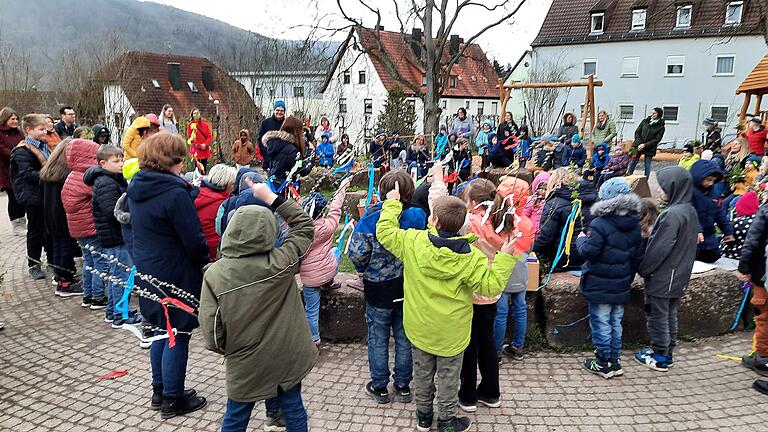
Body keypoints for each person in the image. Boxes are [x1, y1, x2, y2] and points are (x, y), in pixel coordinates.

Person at [376, 182, 518, 432]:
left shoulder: (413, 242)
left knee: (421, 375)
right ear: (462, 223)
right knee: (449, 379)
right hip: (453, 333)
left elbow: (385, 232)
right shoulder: (471, 257)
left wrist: (393, 202)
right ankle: (446, 421)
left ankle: (423, 416)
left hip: (420, 329)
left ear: (433, 219)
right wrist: (505, 256)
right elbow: (491, 286)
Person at [199, 179, 316, 432]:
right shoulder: (282, 262)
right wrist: (272, 198)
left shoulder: (215, 274)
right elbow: (304, 226)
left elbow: (211, 331)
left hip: (245, 358)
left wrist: (231, 351)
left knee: (236, 416)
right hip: (286, 353)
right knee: (294, 408)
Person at [127, 133, 209, 419]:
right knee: (179, 332)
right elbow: (194, 239)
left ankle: (160, 389)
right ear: (170, 159)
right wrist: (205, 262)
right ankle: (173, 399)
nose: (183, 161)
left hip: (149, 269)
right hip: (174, 270)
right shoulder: (174, 193)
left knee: (162, 330)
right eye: (180, 156)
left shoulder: (138, 186)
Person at [348, 171, 425, 404]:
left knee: (378, 337)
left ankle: (379, 386)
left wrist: (364, 269)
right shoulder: (418, 216)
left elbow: (357, 254)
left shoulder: (370, 219)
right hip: (407, 286)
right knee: (404, 337)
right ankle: (402, 386)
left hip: (378, 287)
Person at [576, 178, 642, 378]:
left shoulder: (599, 224)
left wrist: (580, 241)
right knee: (615, 321)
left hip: (600, 282)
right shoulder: (634, 223)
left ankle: (603, 362)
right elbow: (636, 256)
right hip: (621, 282)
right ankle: (615, 360)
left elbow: (589, 251)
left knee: (601, 321)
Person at [634, 166, 698, 371]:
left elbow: (659, 248)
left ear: (673, 188)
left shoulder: (671, 215)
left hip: (663, 277)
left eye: (663, 188)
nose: (660, 191)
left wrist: (644, 268)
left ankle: (661, 356)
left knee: (657, 315)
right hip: (678, 275)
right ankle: (667, 349)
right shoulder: (689, 210)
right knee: (670, 314)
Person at [83, 145, 142, 326]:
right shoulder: (105, 183)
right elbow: (112, 212)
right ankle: (121, 315)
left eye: (121, 160)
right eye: (116, 161)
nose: (121, 164)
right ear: (103, 163)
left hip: (115, 236)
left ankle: (113, 311)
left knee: (120, 276)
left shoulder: (112, 179)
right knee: (122, 278)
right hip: (115, 237)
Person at [299, 178, 351, 347]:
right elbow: (336, 207)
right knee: (335, 251)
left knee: (311, 311)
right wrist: (342, 186)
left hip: (309, 279)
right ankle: (329, 283)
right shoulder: (328, 225)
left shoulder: (300, 230)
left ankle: (315, 341)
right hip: (328, 271)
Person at [494, 176, 535, 362]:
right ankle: (518, 347)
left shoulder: (498, 222)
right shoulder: (526, 222)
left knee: (500, 311)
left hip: (503, 270)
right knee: (520, 308)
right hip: (520, 270)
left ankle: (496, 351)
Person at [61, 138, 106, 307]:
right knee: (100, 262)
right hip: (91, 228)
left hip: (77, 229)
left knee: (88, 261)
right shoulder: (87, 179)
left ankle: (87, 295)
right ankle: (98, 297)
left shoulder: (72, 176)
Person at [10, 114, 52, 280]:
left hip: (44, 194)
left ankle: (52, 258)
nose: (44, 132)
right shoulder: (22, 151)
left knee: (49, 228)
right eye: (41, 129)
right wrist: (50, 174)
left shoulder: (43, 146)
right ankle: (33, 264)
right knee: (35, 230)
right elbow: (27, 174)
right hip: (32, 196)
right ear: (28, 130)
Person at [39, 138, 81, 297]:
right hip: (63, 215)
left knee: (58, 247)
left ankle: (61, 277)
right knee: (65, 248)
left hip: (50, 215)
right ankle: (65, 285)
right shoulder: (66, 174)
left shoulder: (48, 171)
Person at [532, 168, 597, 271]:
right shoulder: (593, 199)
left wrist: (531, 250)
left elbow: (545, 237)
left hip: (564, 259)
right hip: (590, 255)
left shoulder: (554, 203)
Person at [690, 160, 734, 263]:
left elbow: (719, 212)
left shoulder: (712, 191)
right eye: (708, 180)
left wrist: (727, 231)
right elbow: (690, 212)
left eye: (713, 181)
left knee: (714, 256)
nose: (710, 183)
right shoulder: (690, 191)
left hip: (709, 233)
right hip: (693, 234)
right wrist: (697, 229)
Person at [195, 164, 237, 261]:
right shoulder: (224, 204)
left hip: (199, 249)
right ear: (224, 184)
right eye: (233, 184)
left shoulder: (199, 194)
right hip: (215, 253)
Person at [0, 107, 27, 236]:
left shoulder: (19, 132)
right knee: (13, 196)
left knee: (21, 196)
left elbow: (24, 143)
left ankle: (22, 220)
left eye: (16, 118)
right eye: (12, 119)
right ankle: (16, 223)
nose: (15, 121)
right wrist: (16, 153)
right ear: (5, 119)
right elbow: (2, 150)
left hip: (20, 168)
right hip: (6, 169)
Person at [263, 116, 304, 191]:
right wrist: (309, 163)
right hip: (285, 187)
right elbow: (297, 169)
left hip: (273, 183)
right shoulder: (291, 149)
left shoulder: (274, 144)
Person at [628, 107, 665, 177]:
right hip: (638, 145)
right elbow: (637, 132)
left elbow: (657, 139)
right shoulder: (645, 121)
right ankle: (628, 175)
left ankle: (645, 180)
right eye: (652, 113)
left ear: (659, 114)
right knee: (633, 161)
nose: (652, 114)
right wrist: (639, 143)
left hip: (650, 147)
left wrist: (645, 145)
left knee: (647, 164)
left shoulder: (661, 126)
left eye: (654, 113)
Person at [721, 191, 758, 259]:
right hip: (755, 253)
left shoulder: (736, 223)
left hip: (735, 253)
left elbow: (727, 238)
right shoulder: (760, 221)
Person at [259, 101, 287, 168]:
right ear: (274, 110)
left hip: (283, 160)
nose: (279, 112)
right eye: (277, 110)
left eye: (281, 110)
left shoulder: (287, 124)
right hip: (268, 159)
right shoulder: (265, 123)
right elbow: (260, 140)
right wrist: (265, 155)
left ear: (284, 112)